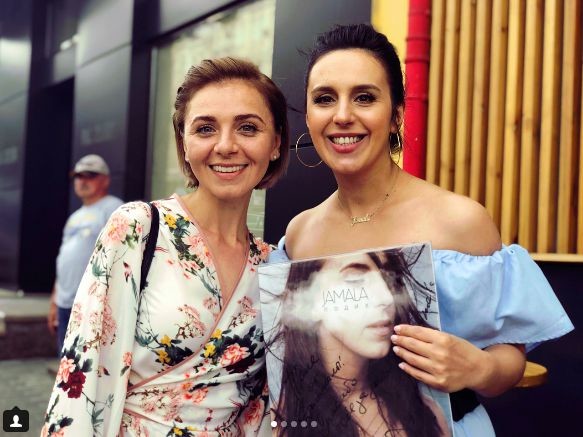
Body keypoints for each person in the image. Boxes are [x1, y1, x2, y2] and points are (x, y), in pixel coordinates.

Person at [270, 23, 574, 437]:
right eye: (325, 99)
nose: (342, 115)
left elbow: (511, 358)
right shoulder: (300, 233)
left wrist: (478, 367)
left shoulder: (459, 220)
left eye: (364, 97)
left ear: (396, 114)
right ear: (309, 116)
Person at [42, 57, 289, 436]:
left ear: (275, 144)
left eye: (247, 127)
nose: (226, 145)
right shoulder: (139, 228)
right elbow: (82, 379)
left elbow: (259, 405)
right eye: (205, 128)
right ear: (184, 144)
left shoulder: (271, 265)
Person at [270, 246, 450, 436]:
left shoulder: (427, 414)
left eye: (389, 279)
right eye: (355, 280)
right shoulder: (281, 424)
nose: (387, 298)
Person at [47, 154, 123, 354]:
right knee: (67, 363)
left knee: (87, 365)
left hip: (92, 304)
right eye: (78, 176)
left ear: (105, 180)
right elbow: (63, 259)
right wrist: (54, 300)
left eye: (90, 175)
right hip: (65, 302)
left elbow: (122, 257)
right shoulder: (75, 216)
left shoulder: (114, 208)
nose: (82, 181)